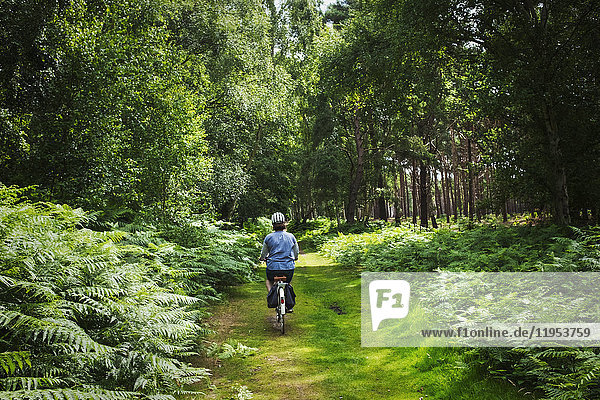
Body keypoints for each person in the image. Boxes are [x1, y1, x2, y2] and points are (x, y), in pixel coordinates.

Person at [259, 212, 299, 298]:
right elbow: (296, 251)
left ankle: (271, 295)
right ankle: (289, 302)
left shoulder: (268, 237)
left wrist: (262, 258)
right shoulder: (291, 236)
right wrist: (295, 258)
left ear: (273, 224)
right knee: (288, 283)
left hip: (273, 268)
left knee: (269, 281)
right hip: (288, 268)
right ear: (284, 223)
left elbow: (264, 252)